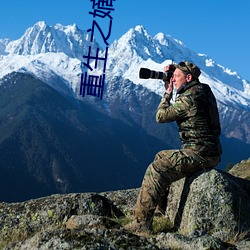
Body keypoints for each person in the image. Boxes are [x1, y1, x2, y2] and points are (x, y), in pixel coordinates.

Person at [124, 61, 222, 233]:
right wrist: (175, 72)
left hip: (199, 153)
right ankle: (161, 210)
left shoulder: (189, 99)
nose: (173, 79)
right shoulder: (203, 90)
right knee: (161, 156)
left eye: (177, 77)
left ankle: (141, 224)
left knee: (157, 168)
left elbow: (160, 117)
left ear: (189, 78)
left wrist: (167, 93)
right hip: (209, 151)